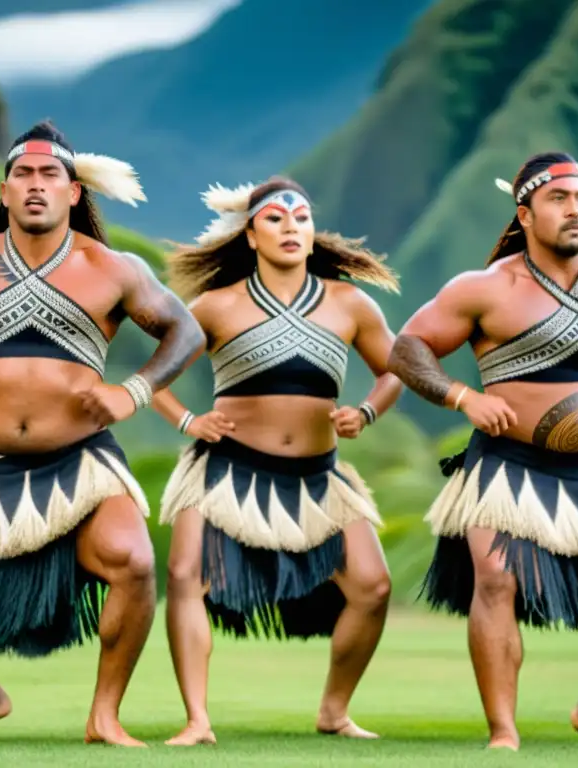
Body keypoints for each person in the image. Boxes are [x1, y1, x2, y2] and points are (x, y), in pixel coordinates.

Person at [0, 120, 206, 747]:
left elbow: (185, 332)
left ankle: (104, 715)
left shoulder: (113, 268)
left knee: (133, 562)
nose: (35, 186)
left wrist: (131, 390)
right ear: (4, 190)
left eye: (50, 175)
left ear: (74, 193)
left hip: (81, 462)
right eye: (22, 175)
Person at [387, 152, 578, 750]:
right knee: (495, 578)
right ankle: (504, 732)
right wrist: (462, 396)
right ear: (525, 213)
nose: (575, 211)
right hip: (505, 465)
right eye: (558, 200)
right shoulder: (483, 288)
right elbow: (407, 348)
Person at [151, 177, 402, 745]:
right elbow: (155, 377)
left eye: (302, 218)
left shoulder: (350, 304)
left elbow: (396, 370)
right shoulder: (214, 306)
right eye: (275, 219)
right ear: (250, 236)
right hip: (225, 469)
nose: (291, 227)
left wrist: (364, 412)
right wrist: (190, 422)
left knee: (372, 585)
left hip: (318, 477)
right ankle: (197, 720)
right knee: (186, 576)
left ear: (314, 236)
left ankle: (334, 711)